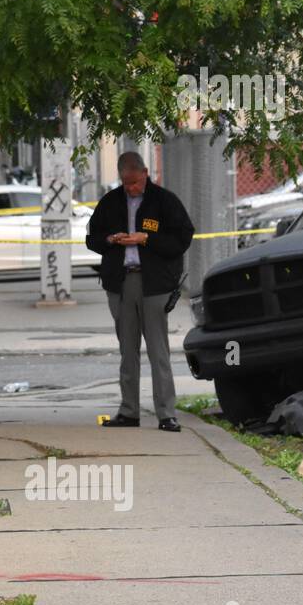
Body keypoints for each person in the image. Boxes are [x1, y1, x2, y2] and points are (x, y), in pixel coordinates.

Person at [86, 151, 195, 431]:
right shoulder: (110, 203)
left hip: (155, 284)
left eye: (135, 182)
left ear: (145, 173)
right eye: (126, 183)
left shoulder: (164, 201)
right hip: (121, 283)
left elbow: (182, 238)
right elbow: (93, 238)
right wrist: (111, 239)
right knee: (127, 350)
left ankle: (166, 414)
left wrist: (147, 239)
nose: (131, 188)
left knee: (158, 350)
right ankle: (129, 411)